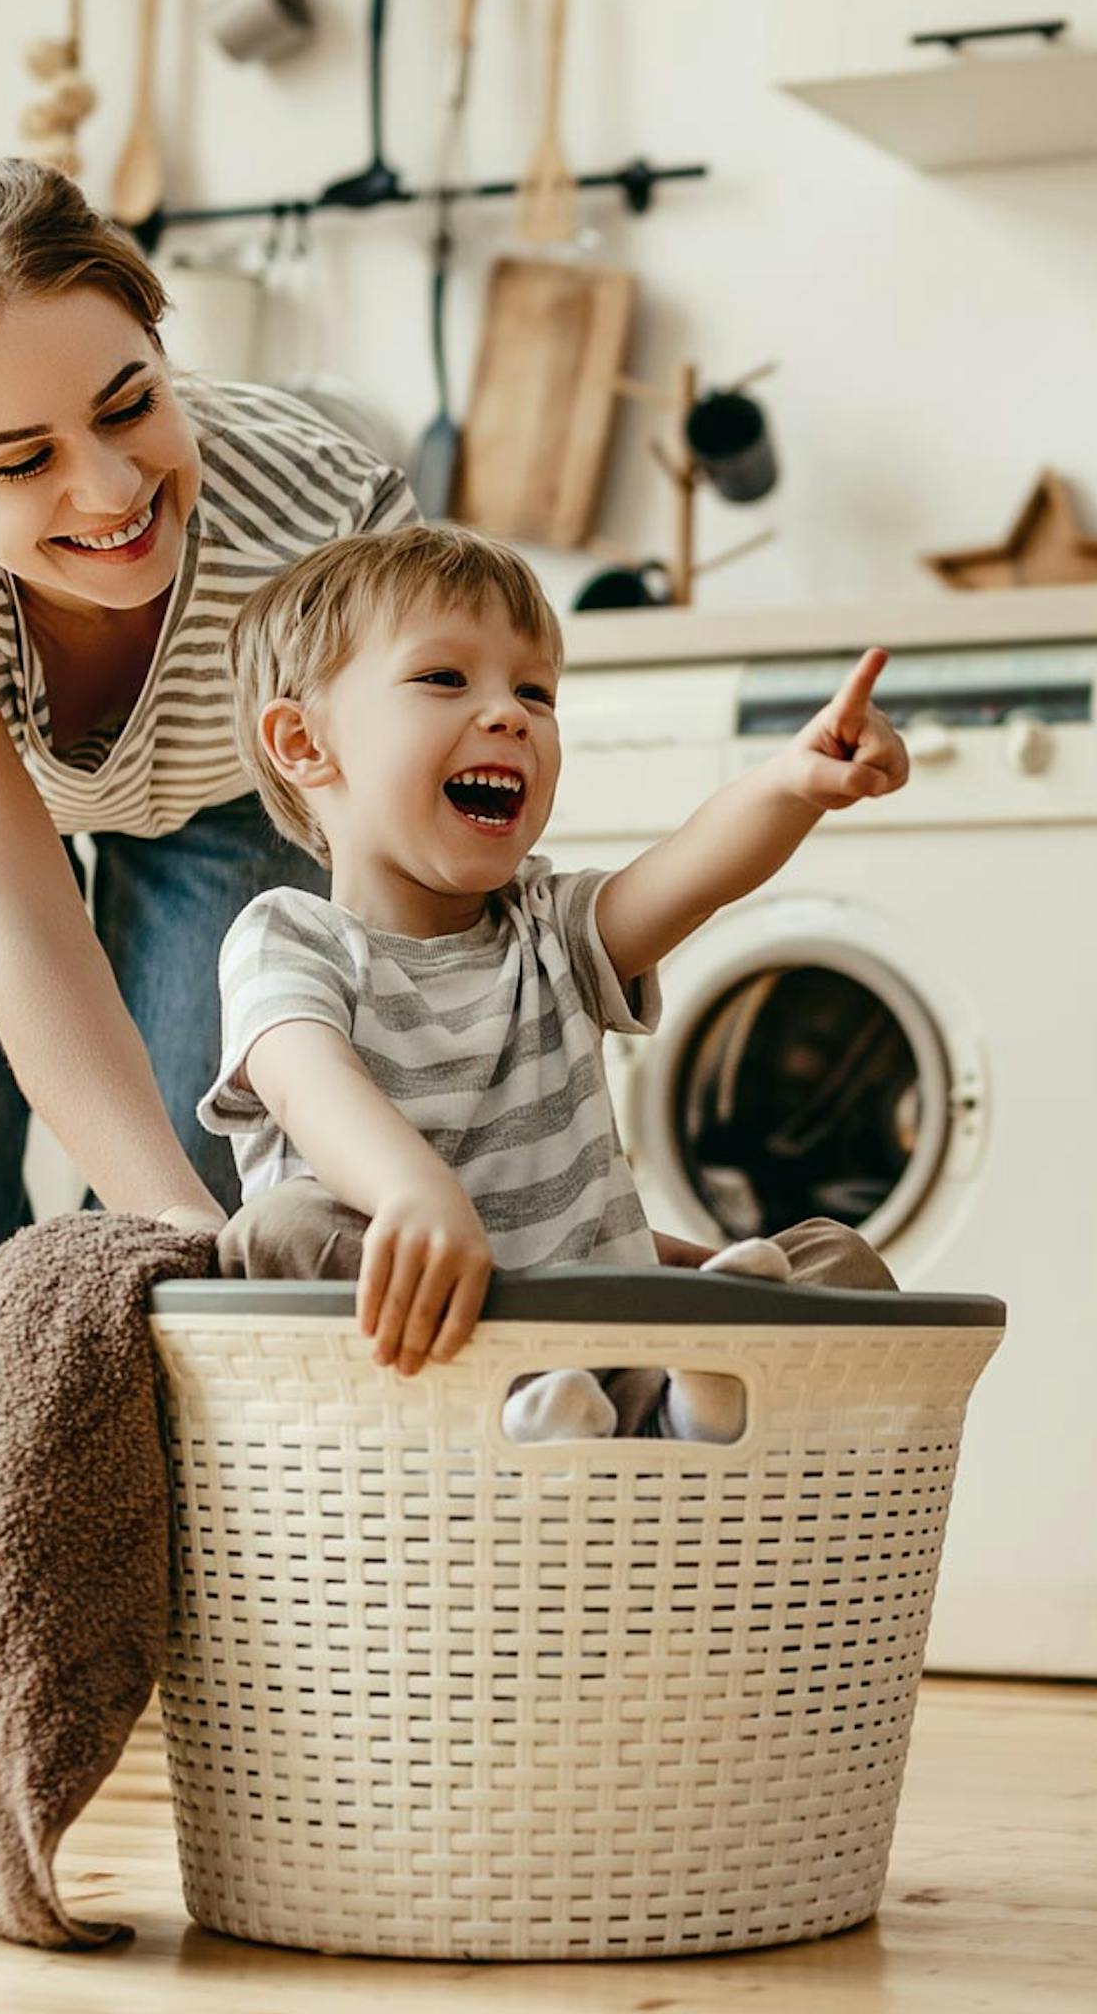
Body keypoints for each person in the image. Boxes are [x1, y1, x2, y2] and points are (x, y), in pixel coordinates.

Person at [0, 157, 407, 1730]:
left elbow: (390, 854)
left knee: (243, 1172)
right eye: (24, 458)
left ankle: (207, 1627)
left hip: (238, 782)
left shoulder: (324, 506)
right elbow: (15, 922)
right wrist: (164, 1229)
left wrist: (227, 1224)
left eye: (131, 404)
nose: (111, 490)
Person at [199, 525, 908, 1440]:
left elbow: (692, 869)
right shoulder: (288, 938)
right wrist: (416, 1195)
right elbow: (307, 1081)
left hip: (606, 1335)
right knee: (277, 1232)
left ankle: (688, 1408)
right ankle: (537, 1414)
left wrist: (793, 785)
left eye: (534, 690)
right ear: (304, 743)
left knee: (832, 1260)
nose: (510, 715)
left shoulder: (550, 930)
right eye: (445, 679)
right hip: (416, 1362)